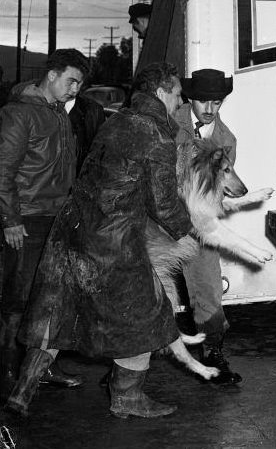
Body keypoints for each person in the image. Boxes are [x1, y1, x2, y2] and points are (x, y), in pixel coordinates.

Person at [1, 63, 193, 433]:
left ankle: (22, 392)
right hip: (114, 239)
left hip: (72, 228)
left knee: (55, 311)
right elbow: (163, 202)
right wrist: (190, 230)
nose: (180, 101)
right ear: (161, 93)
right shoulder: (155, 133)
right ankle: (128, 397)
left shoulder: (117, 120)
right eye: (178, 94)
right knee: (147, 316)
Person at [0, 49, 89, 403]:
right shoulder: (18, 113)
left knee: (49, 300)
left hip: (56, 219)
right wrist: (9, 220)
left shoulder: (59, 115)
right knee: (16, 303)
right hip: (26, 222)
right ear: (51, 75)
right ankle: (7, 374)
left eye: (80, 84)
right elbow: (2, 171)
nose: (76, 89)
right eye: (72, 80)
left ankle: (41, 368)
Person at [173, 68, 271, 385]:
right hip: (157, 223)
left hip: (195, 230)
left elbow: (215, 196)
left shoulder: (226, 141)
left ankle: (213, 354)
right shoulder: (168, 122)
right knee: (146, 295)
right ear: (190, 98)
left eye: (217, 101)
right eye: (203, 101)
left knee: (210, 292)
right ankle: (125, 370)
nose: (210, 108)